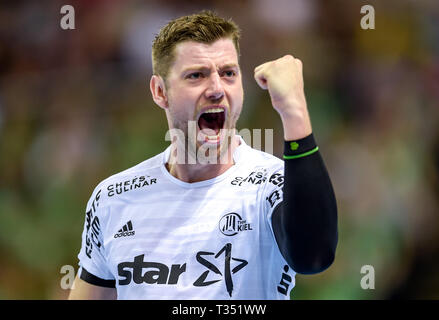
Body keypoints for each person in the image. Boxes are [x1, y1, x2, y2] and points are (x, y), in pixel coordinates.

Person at [68, 10, 338, 300]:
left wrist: (293, 110)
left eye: (228, 73)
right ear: (160, 91)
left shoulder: (269, 184)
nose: (216, 89)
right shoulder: (113, 198)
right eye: (196, 75)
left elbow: (314, 257)